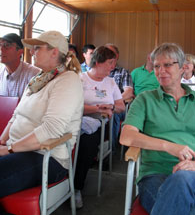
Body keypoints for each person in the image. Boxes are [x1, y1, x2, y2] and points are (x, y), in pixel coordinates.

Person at [0, 31, 84, 214]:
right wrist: (1, 141)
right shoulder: (38, 79)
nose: (32, 52)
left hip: (47, 157)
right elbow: (16, 115)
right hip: (19, 149)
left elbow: (51, 130)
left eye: (37, 48)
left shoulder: (68, 80)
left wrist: (9, 149)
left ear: (54, 52)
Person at [120, 43, 195, 215]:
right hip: (155, 174)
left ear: (183, 67)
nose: (161, 71)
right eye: (156, 66)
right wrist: (168, 146)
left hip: (192, 171)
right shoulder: (144, 100)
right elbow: (126, 136)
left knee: (183, 180)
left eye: (167, 65)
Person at [74, 46, 125, 208]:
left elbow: (121, 106)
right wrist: (98, 108)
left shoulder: (110, 82)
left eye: (114, 63)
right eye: (110, 63)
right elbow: (73, 106)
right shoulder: (80, 79)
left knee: (87, 145)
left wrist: (108, 108)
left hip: (97, 124)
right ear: (97, 62)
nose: (112, 67)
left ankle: (76, 188)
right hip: (75, 120)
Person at [105, 43, 134, 150]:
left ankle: (110, 152)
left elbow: (129, 92)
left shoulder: (123, 72)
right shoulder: (100, 71)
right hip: (99, 105)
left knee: (114, 113)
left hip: (119, 107)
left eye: (110, 53)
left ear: (116, 56)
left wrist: (112, 102)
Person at [0, 33, 40, 98]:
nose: (1, 49)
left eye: (7, 45)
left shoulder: (34, 75)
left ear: (20, 52)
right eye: (0, 45)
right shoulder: (1, 73)